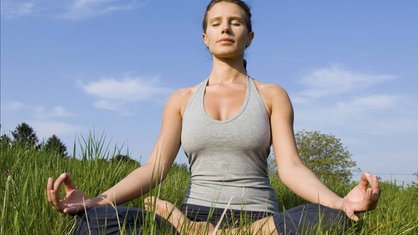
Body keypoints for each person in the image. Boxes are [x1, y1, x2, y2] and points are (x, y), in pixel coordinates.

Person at [47, 0, 380, 234]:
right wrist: (96, 201)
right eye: (216, 23)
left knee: (335, 220)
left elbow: (290, 168)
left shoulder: (271, 95)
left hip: (259, 218)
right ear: (205, 38)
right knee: (93, 222)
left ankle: (196, 231)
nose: (226, 28)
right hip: (196, 211)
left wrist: (339, 202)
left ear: (249, 36)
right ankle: (187, 224)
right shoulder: (181, 99)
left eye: (236, 22)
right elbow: (155, 169)